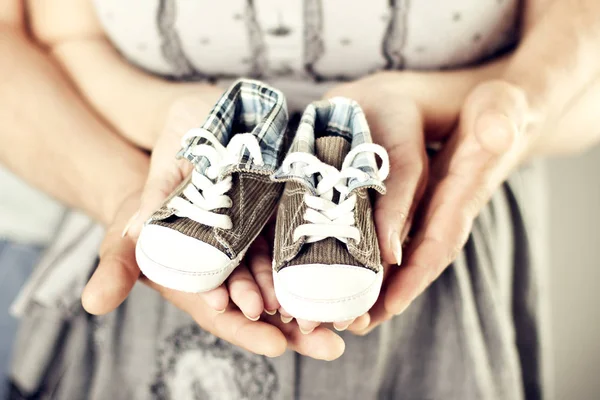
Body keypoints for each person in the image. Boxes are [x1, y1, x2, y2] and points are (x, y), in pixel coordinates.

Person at [1, 0, 599, 398]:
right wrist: (130, 176)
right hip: (146, 159)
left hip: (439, 212)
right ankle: (238, 149)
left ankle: (333, 164)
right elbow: (55, 36)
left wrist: (505, 109)